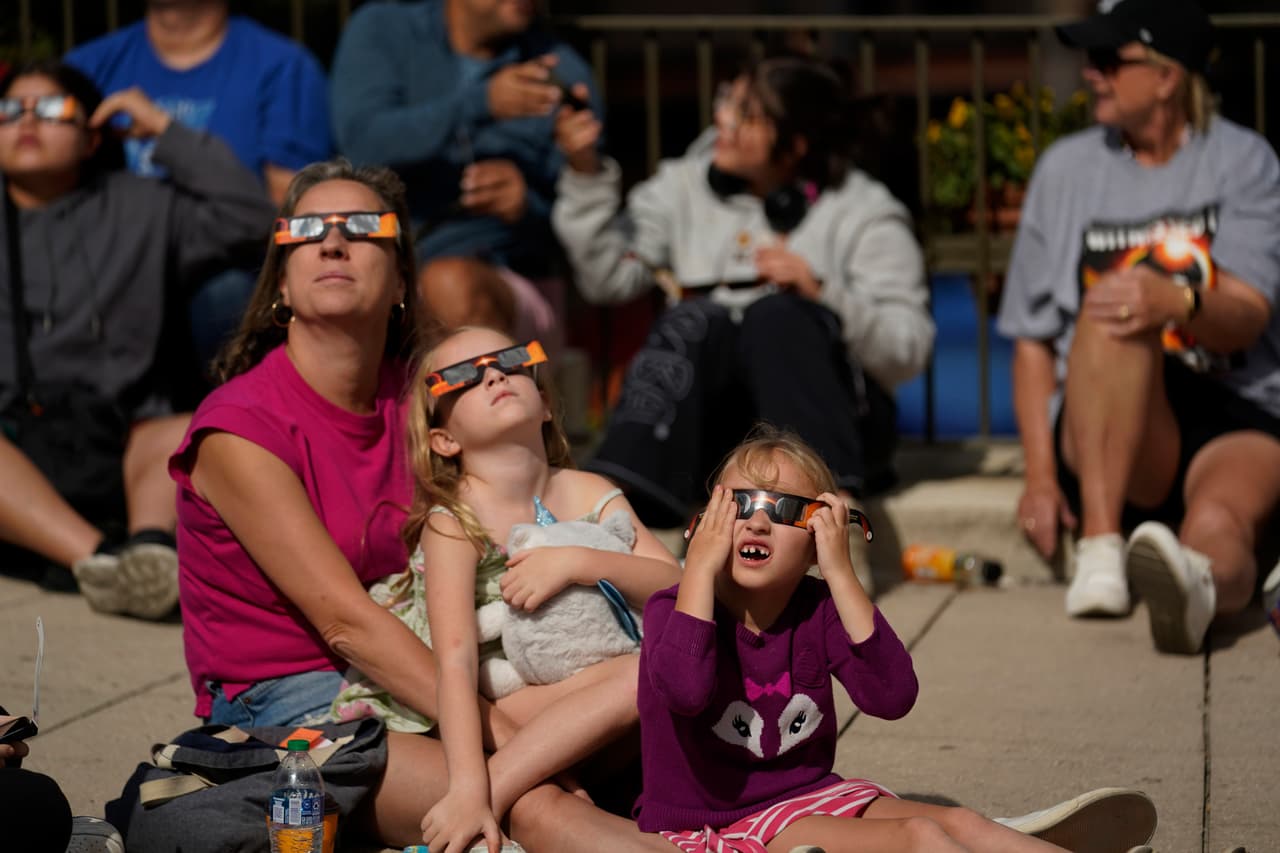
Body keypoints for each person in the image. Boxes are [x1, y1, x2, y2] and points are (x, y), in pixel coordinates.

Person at [167, 159, 685, 852]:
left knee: (661, 710)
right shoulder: (240, 427)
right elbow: (345, 623)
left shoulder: (430, 403)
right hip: (296, 696)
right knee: (529, 798)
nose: (332, 243)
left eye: (362, 228)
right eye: (307, 231)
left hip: (434, 670)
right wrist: (505, 732)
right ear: (280, 283)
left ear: (403, 280)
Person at [638, 425, 1078, 852]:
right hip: (715, 824)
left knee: (960, 822)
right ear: (708, 519)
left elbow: (892, 695)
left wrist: (841, 573)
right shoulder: (673, 608)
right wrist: (697, 567)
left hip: (807, 798)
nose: (757, 522)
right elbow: (686, 690)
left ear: (817, 541)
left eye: (785, 510)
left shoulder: (820, 608)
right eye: (738, 505)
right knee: (917, 839)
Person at [996, 0, 1280, 654]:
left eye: (1107, 59)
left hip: (1232, 407)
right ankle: (1101, 546)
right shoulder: (1065, 169)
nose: (1090, 73)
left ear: (1166, 76)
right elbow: (1034, 343)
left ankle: (1198, 589)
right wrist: (1039, 476)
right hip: (1109, 430)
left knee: (1221, 522)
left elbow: (1249, 314)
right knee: (1113, 304)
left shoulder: (1244, 161)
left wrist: (1177, 302)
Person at [552, 55, 933, 529]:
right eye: (727, 102)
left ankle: (831, 515)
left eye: (748, 115)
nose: (723, 121)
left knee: (778, 317)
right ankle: (613, 514)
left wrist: (821, 293)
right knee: (693, 320)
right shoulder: (684, 184)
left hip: (836, 427)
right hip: (716, 434)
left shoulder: (864, 211)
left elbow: (908, 350)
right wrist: (586, 171)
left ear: (795, 145)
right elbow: (607, 278)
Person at [394, 325, 683, 852]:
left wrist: (579, 561)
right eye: (460, 377)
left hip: (594, 700)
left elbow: (677, 588)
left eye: (508, 360)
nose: (494, 375)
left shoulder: (588, 489)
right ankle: (489, 795)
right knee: (653, 667)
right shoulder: (454, 521)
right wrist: (467, 785)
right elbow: (454, 664)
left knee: (688, 658)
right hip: (494, 712)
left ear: (546, 403)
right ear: (444, 439)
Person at [0, 60, 273, 617]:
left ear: (92, 134)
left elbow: (253, 220)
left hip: (121, 434)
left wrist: (165, 132)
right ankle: (100, 561)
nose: (28, 121)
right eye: (10, 110)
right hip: (12, 441)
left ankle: (149, 547)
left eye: (52, 109)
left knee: (190, 428)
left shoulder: (141, 204)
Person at [67, 0, 333, 373]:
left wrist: (167, 131)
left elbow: (288, 217)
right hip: (104, 266)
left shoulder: (284, 66)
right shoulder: (87, 65)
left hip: (224, 268)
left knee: (226, 297)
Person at [329, 0, 601, 352]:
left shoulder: (562, 72)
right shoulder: (384, 28)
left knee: (450, 284)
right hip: (381, 264)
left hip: (506, 281)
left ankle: (485, 403)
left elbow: (590, 226)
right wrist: (478, 104)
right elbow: (361, 145)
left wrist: (526, 206)